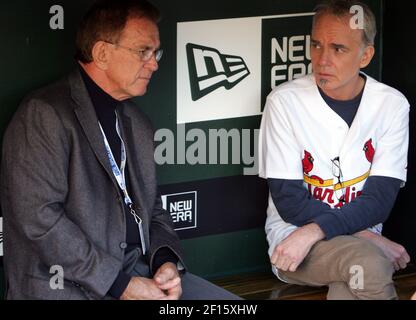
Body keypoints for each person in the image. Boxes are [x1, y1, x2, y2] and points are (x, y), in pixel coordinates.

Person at [1, 0, 239, 300]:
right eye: (143, 52)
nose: (154, 63)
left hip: (138, 273)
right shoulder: (44, 114)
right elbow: (38, 219)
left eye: (156, 53)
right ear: (102, 53)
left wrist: (165, 261)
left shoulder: (136, 123)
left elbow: (153, 211)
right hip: (67, 285)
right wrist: (119, 284)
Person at [259, 0, 411, 300]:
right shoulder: (285, 102)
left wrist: (317, 229)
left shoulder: (391, 105)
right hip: (294, 245)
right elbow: (290, 202)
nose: (322, 59)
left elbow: (378, 201)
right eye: (316, 45)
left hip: (323, 239)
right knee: (367, 261)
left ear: (365, 55)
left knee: (352, 282)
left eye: (338, 49)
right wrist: (365, 234)